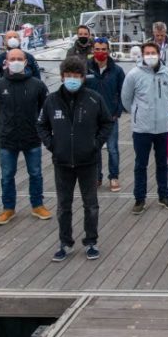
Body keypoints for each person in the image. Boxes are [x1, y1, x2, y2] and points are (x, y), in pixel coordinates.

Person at [38, 57, 113, 262]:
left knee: (91, 205)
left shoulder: (93, 98)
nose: (72, 79)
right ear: (62, 77)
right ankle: (65, 242)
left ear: (82, 77)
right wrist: (52, 145)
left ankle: (91, 242)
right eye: (68, 76)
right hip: (62, 162)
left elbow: (107, 123)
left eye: (76, 76)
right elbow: (42, 125)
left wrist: (95, 144)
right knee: (64, 206)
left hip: (87, 161)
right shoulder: (51, 100)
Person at [0, 47, 51, 225]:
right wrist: (6, 121)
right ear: (6, 63)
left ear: (25, 62)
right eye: (12, 58)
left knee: (36, 173)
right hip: (7, 138)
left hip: (32, 137)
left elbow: (45, 108)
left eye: (19, 58)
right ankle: (8, 208)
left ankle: (37, 205)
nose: (15, 61)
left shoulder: (37, 85)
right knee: (7, 175)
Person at [121, 42, 168, 215]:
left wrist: (165, 110)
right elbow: (126, 99)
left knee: (162, 163)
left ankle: (164, 195)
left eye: (153, 52)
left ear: (159, 54)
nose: (151, 55)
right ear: (142, 55)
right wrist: (138, 113)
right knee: (141, 164)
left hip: (163, 126)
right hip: (142, 128)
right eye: (147, 53)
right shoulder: (133, 75)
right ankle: (140, 198)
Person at [85, 38, 125, 192]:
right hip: (92, 117)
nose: (100, 52)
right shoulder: (86, 69)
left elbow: (123, 92)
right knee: (94, 148)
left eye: (103, 49)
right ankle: (96, 177)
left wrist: (118, 111)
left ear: (108, 50)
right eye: (97, 49)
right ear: (92, 50)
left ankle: (114, 177)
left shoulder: (117, 70)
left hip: (110, 116)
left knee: (112, 148)